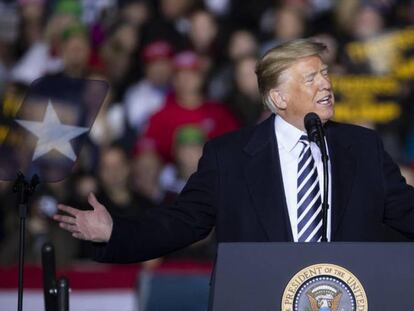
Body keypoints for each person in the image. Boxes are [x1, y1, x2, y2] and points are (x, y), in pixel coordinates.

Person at [54, 39, 414, 264]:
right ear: (279, 98)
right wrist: (116, 231)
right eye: (311, 78)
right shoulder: (230, 157)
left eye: (325, 74)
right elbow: (183, 222)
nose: (326, 84)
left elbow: (406, 211)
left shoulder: (363, 147)